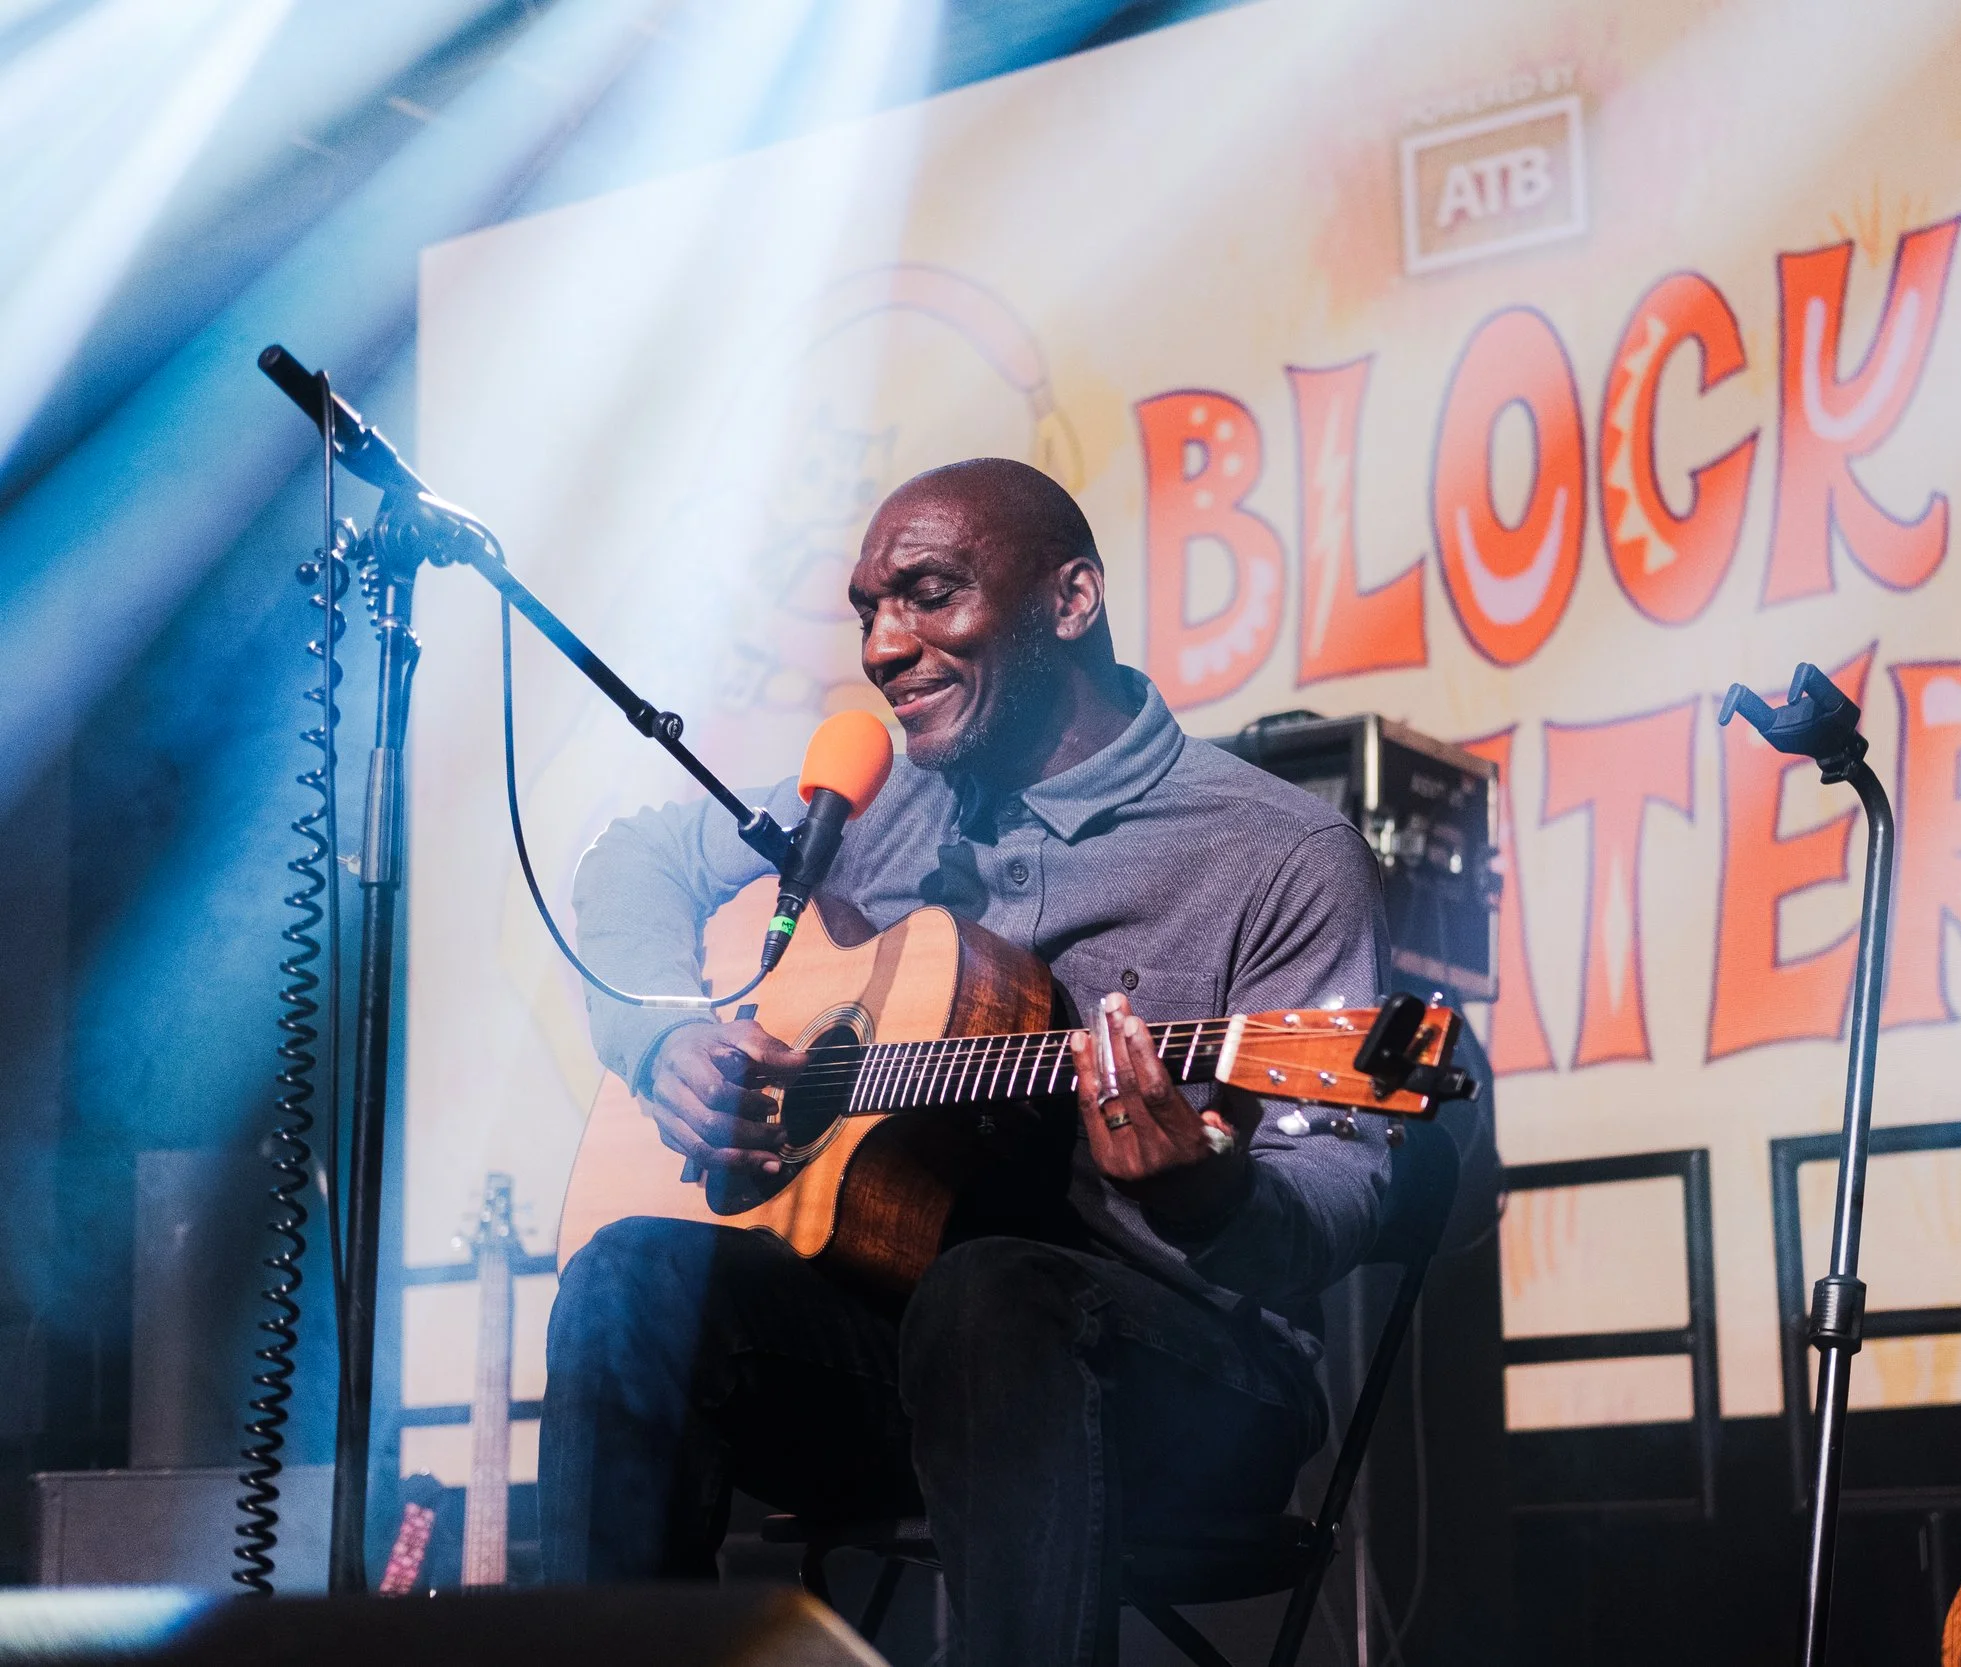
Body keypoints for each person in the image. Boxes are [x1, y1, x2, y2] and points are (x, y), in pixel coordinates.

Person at [538, 457, 1393, 1666]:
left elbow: (1346, 1183)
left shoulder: (1278, 850)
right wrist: (667, 1032)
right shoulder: (873, 799)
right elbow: (635, 858)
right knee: (634, 1283)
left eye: (929, 594)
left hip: (1190, 1383)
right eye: (868, 610)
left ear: (1071, 598)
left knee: (994, 1291)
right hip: (900, 1364)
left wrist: (1208, 1189)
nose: (886, 644)